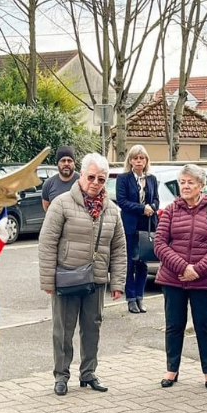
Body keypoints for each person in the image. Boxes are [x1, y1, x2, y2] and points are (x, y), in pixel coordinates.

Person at [38, 153, 126, 394]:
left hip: (96, 279)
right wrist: (48, 280)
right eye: (91, 177)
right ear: (81, 177)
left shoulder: (112, 210)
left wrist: (117, 282)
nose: (96, 183)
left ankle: (88, 373)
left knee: (92, 327)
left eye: (101, 179)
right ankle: (61, 376)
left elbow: (119, 248)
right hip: (66, 277)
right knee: (63, 330)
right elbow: (47, 243)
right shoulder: (62, 203)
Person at [154, 164, 207, 389]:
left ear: (201, 186)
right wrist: (183, 267)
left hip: (202, 280)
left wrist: (197, 270)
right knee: (174, 325)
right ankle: (171, 369)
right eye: (182, 182)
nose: (185, 186)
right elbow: (160, 244)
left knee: (204, 325)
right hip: (173, 278)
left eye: (190, 182)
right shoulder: (171, 209)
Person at [116, 145, 160, 313]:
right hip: (130, 227)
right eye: (135, 158)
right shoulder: (123, 179)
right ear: (130, 161)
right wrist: (142, 208)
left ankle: (140, 298)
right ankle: (131, 299)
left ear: (146, 160)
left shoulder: (152, 179)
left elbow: (156, 199)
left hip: (147, 227)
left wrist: (152, 207)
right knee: (130, 264)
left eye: (142, 158)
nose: (139, 161)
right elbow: (122, 202)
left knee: (143, 264)